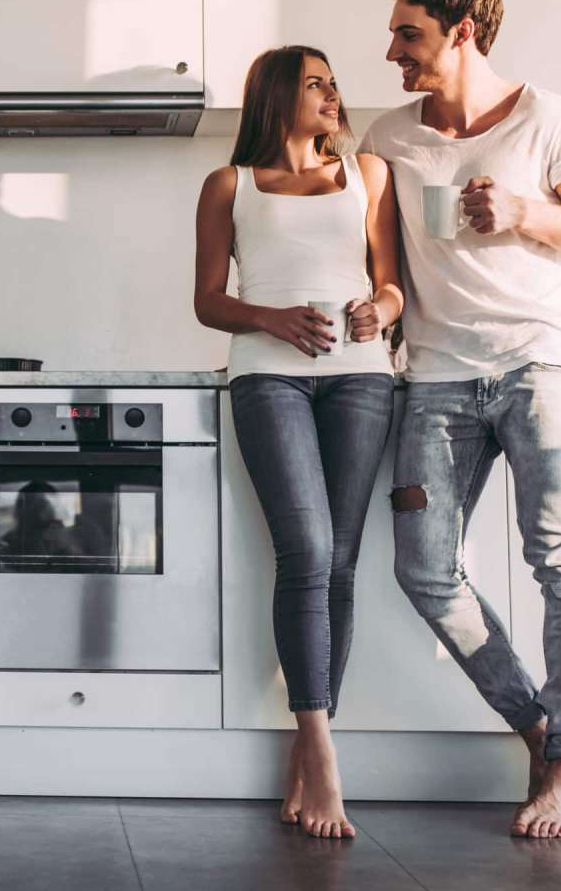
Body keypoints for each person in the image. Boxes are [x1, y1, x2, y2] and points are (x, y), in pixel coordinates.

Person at [360, 0, 561, 839]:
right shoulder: (390, 136)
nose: (393, 49)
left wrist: (524, 211)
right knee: (425, 567)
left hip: (540, 365)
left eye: (409, 32)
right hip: (437, 375)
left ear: (462, 30)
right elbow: (379, 260)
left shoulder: (552, 118)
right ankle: (542, 728)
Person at [194, 45, 404, 838]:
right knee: (307, 553)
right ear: (278, 94)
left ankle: (308, 743)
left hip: (361, 377)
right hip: (267, 378)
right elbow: (208, 299)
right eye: (315, 82)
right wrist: (271, 318)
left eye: (332, 83)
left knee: (340, 563)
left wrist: (378, 310)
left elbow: (391, 281)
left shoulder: (368, 176)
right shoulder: (230, 185)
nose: (332, 93)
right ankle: (320, 748)